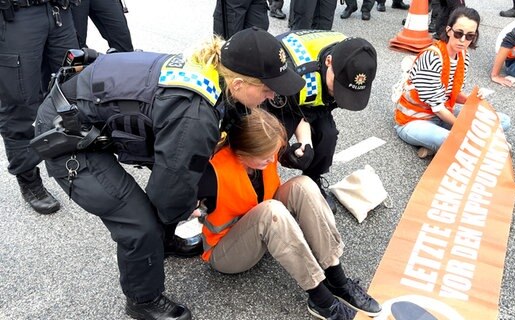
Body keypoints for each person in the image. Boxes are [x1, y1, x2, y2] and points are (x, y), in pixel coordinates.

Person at [32, 27, 305, 320]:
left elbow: (207, 143)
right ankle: (143, 300)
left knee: (180, 182)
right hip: (68, 137)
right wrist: (190, 209)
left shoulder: (215, 70)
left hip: (90, 113)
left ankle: (162, 244)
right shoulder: (195, 115)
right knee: (140, 223)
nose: (272, 94)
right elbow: (169, 193)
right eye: (266, 88)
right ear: (238, 83)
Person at [195, 107, 382, 320]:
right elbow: (171, 199)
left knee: (303, 184)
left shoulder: (264, 146)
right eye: (265, 157)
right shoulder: (211, 173)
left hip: (264, 228)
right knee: (271, 211)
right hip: (226, 251)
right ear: (242, 154)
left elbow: (302, 114)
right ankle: (320, 300)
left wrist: (304, 146)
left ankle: (336, 279)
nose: (271, 159)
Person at [266, 30, 378, 214]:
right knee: (271, 142)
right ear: (329, 62)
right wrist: (285, 152)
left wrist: (307, 144)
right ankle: (262, 190)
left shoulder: (354, 57)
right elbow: (284, 113)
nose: (342, 95)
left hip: (313, 97)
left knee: (328, 135)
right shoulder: (296, 72)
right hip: (283, 96)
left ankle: (313, 181)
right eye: (339, 87)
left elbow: (322, 109)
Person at [394, 7, 511, 158]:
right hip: (414, 120)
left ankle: (436, 147)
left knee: (502, 120)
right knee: (454, 137)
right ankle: (474, 144)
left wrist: (473, 99)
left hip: (444, 114)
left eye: (469, 36)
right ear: (449, 31)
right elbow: (437, 108)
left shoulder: (463, 56)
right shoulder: (431, 57)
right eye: (458, 33)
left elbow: (452, 94)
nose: (463, 40)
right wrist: (464, 128)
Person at [0, 0, 79, 215]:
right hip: (17, 15)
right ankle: (29, 180)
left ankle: (80, 164)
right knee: (19, 104)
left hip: (58, 12)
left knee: (73, 89)